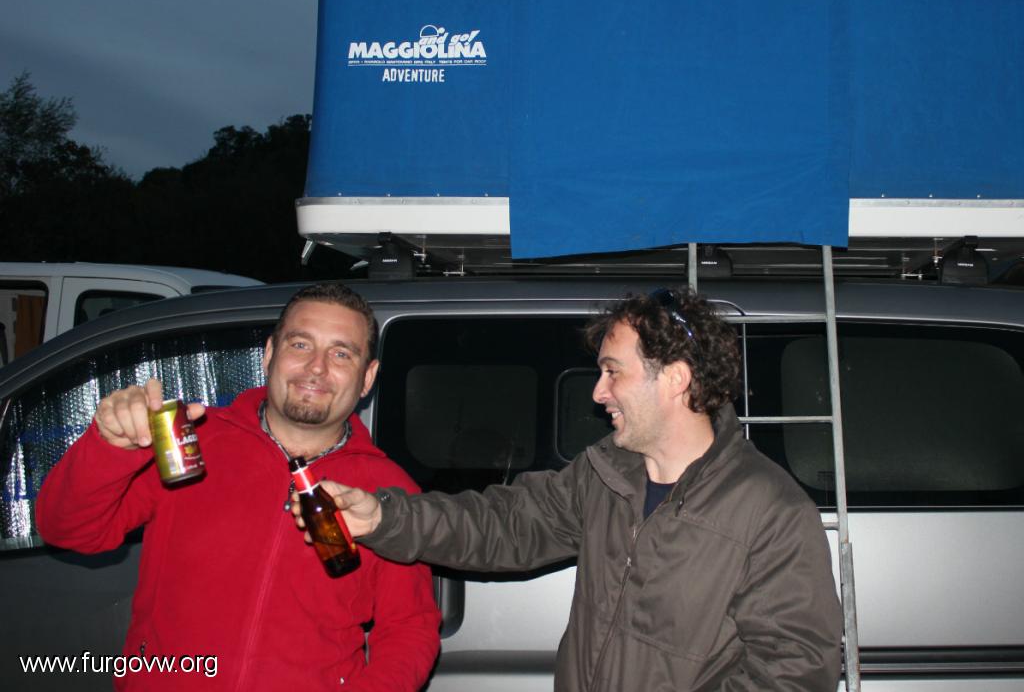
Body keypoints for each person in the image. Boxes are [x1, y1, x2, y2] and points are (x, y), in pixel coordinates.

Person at [303, 287, 843, 690]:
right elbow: (502, 524)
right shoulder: (606, 474)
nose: (598, 392)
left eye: (613, 372)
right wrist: (385, 519)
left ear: (675, 379)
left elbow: (794, 671)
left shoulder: (768, 510)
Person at [37, 283, 441, 691]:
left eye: (341, 354)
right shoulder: (190, 440)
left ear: (367, 377)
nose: (317, 368)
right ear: (269, 353)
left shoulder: (389, 494)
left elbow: (410, 628)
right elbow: (69, 530)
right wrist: (111, 447)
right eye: (300, 345)